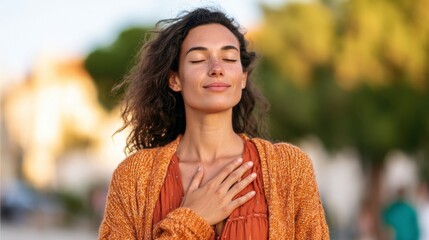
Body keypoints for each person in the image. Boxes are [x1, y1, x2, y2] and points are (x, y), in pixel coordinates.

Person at [99, 7, 329, 239]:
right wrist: (192, 218)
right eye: (198, 59)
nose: (217, 69)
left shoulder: (290, 168)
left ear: (243, 78)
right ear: (175, 79)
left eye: (229, 58)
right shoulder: (133, 178)